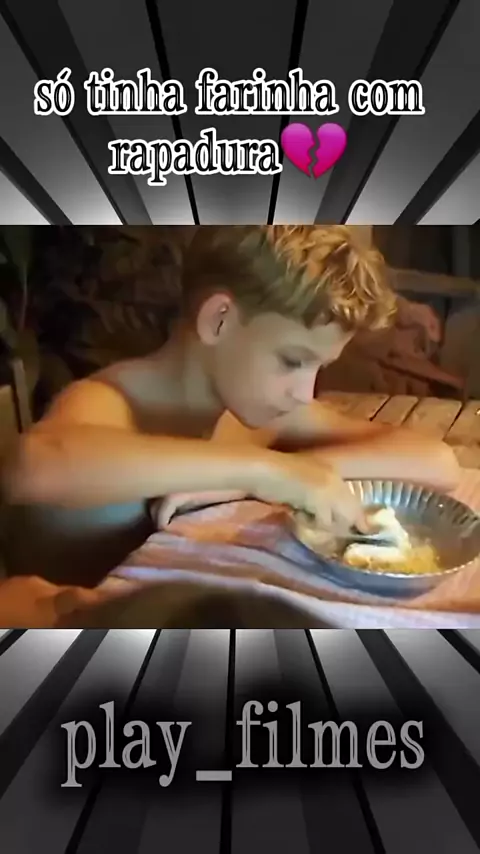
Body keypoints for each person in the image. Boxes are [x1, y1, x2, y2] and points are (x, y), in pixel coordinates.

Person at [2, 225, 460, 587]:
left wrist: (293, 475)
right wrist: (267, 472)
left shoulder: (255, 410)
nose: (305, 392)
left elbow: (436, 462)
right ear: (219, 320)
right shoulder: (112, 400)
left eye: (319, 367)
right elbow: (35, 467)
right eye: (292, 361)